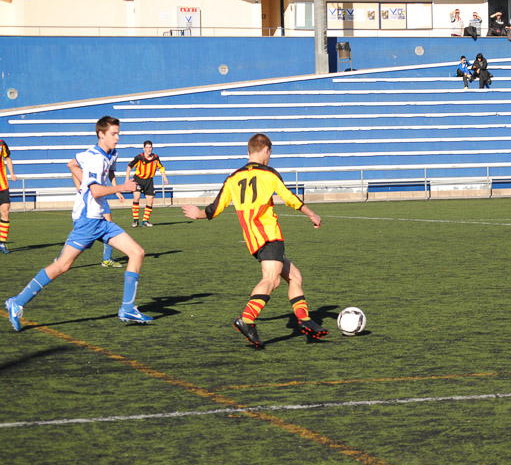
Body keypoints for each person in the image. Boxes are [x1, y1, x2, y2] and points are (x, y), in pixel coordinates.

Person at [5, 116, 152, 331]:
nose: (117, 137)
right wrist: (121, 187)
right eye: (113, 134)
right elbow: (96, 191)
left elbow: (72, 164)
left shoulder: (111, 153)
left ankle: (127, 308)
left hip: (100, 219)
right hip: (87, 221)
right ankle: (17, 302)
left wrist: (84, 184)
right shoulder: (94, 158)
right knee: (62, 266)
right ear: (101, 134)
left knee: (137, 253)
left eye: (118, 133)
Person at [181, 133, 327, 348]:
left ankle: (304, 320)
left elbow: (214, 209)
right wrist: (311, 214)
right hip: (269, 235)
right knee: (272, 279)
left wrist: (198, 214)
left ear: (249, 151)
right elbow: (289, 198)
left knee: (294, 276)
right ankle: (247, 320)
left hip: (253, 240)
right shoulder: (269, 174)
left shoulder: (233, 178)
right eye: (270, 153)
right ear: (266, 150)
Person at [126, 140, 168, 227]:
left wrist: (164, 177)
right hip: (138, 179)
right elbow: (129, 166)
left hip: (149, 181)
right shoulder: (139, 158)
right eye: (147, 147)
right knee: (136, 197)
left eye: (150, 147)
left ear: (152, 148)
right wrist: (127, 180)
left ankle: (145, 221)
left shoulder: (156, 158)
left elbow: (161, 167)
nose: (148, 149)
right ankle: (135, 220)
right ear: (144, 148)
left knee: (150, 200)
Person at [0, 139, 18, 254]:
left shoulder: (1, 143)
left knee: (6, 211)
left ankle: (1, 242)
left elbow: (7, 158)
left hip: (2, 185)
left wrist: (12, 173)